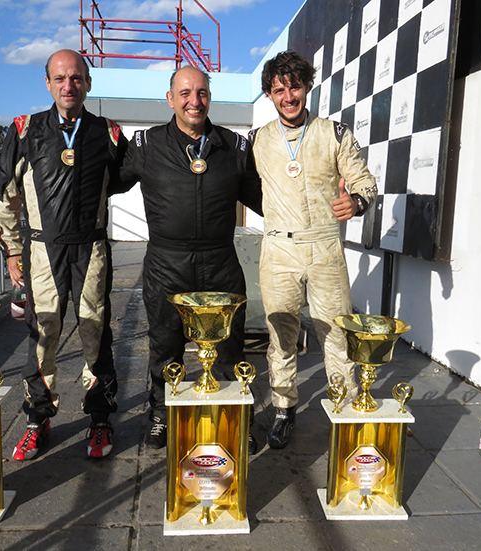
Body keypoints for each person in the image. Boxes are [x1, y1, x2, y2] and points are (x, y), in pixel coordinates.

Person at [115, 66, 263, 449]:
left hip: (220, 261)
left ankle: (236, 413)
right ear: (170, 99)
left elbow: (263, 198)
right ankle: (163, 412)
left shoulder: (233, 147)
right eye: (184, 93)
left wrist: (312, 197)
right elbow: (106, 182)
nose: (194, 101)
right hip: (167, 261)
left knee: (230, 345)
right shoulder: (145, 145)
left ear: (210, 97)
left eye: (201, 93)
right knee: (165, 344)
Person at [0, 49, 128, 460]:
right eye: (60, 78)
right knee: (42, 333)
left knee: (95, 330)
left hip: (90, 246)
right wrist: (13, 251)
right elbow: (4, 196)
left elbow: (124, 180)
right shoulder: (24, 129)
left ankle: (100, 419)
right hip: (41, 248)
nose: (68, 86)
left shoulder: (108, 132)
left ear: (88, 83)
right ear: (48, 83)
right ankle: (38, 419)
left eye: (76, 78)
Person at [250, 50, 378, 449]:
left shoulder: (334, 133)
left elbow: (365, 182)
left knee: (336, 334)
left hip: (324, 247)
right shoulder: (258, 140)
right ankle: (284, 407)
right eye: (279, 90)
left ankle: (345, 408)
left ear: (307, 87)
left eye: (295, 87)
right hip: (278, 249)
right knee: (281, 335)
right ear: (270, 95)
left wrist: (356, 202)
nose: (289, 96)